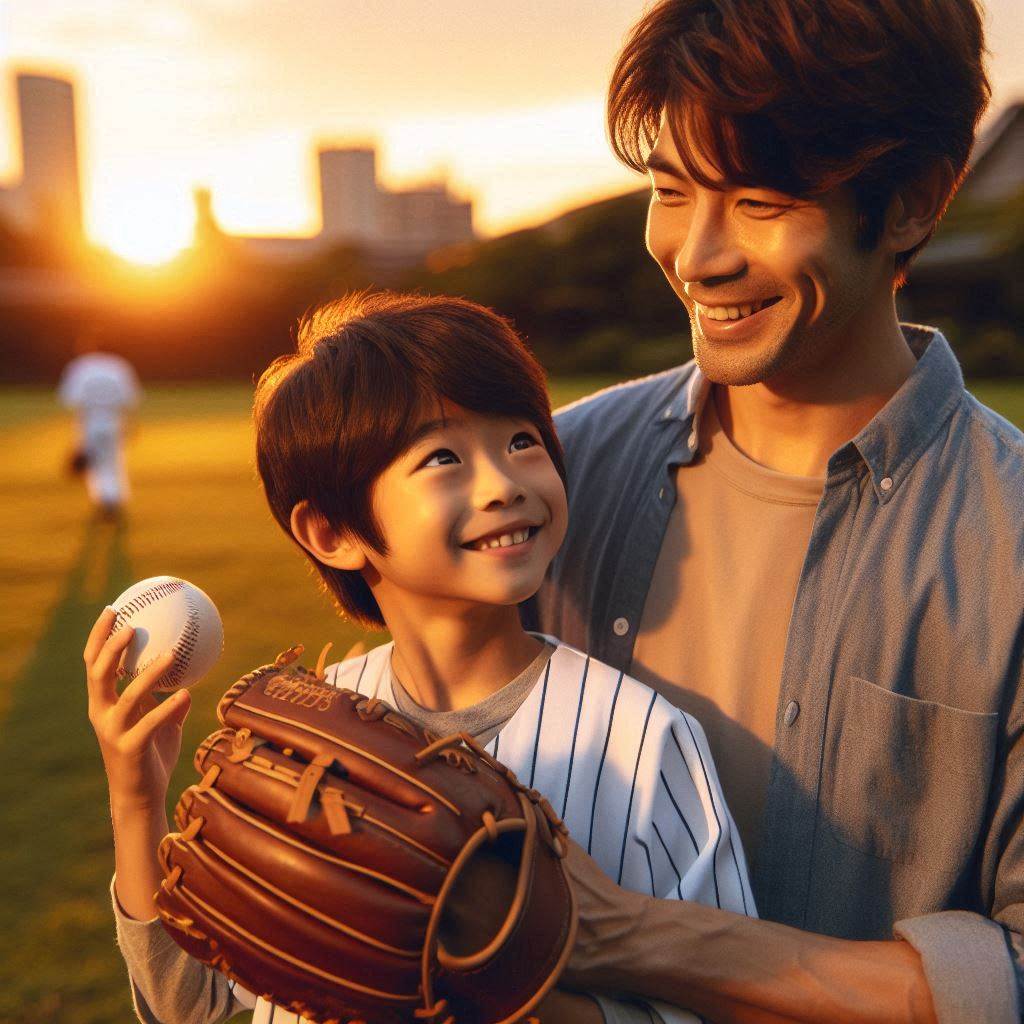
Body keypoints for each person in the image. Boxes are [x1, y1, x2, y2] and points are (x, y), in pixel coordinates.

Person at [518, 0, 1023, 1021]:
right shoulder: (550, 480)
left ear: (915, 202)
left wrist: (636, 935)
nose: (696, 254)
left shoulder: (1009, 541)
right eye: (669, 189)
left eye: (758, 200)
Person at [85, 291, 754, 1024]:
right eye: (443, 457)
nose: (504, 485)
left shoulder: (641, 738)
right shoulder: (298, 735)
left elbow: (730, 1000)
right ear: (333, 531)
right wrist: (137, 804)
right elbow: (203, 1009)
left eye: (522, 441)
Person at [57, 340, 141, 519]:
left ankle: (104, 500)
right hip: (114, 419)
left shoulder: (80, 366)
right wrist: (132, 424)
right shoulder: (119, 365)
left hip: (88, 419)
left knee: (94, 463)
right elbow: (130, 398)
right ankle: (114, 499)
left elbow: (70, 399)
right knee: (113, 461)